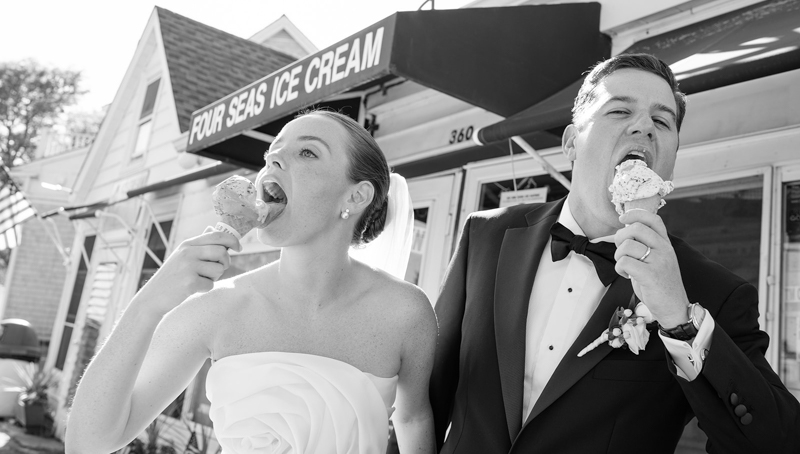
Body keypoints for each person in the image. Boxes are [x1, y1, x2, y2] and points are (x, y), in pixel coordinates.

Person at [430, 53, 800, 453]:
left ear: (671, 160)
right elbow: (426, 399)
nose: (643, 126)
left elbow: (777, 442)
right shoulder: (487, 234)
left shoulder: (713, 291)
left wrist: (680, 322)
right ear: (572, 142)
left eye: (662, 121)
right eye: (620, 110)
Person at [66, 110, 438, 454]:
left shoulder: (407, 313)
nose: (272, 160)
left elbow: (411, 418)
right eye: (271, 155)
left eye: (307, 152)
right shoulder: (216, 308)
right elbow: (89, 442)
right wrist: (150, 302)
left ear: (356, 195)